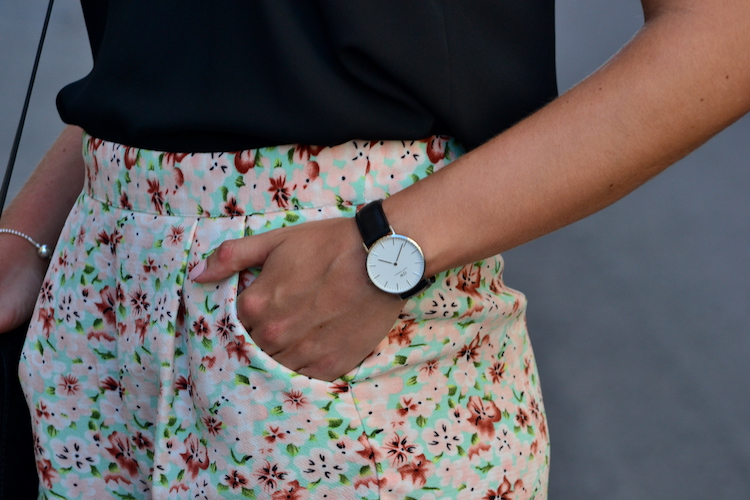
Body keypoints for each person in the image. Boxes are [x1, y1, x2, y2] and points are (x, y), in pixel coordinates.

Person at [1, 1, 749, 499]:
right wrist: (29, 230)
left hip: (341, 317)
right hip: (98, 327)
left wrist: (385, 250)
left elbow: (724, 31)